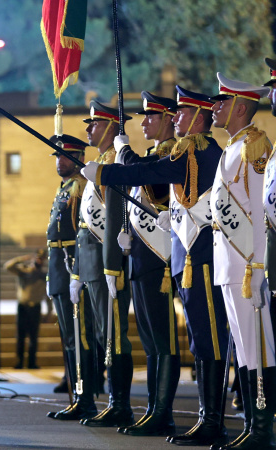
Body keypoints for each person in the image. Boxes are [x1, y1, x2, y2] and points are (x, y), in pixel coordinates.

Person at [82, 85, 230, 446]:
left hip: (198, 256)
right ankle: (194, 417)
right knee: (193, 341)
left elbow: (150, 172)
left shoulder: (201, 151)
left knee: (207, 340)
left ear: (197, 117)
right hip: (182, 256)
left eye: (181, 112)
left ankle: (206, 420)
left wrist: (113, 164)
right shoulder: (189, 152)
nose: (176, 117)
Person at [208, 72, 275, 450]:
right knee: (245, 349)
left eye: (222, 101)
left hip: (248, 266)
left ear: (239, 107)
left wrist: (259, 265)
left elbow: (261, 213)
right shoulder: (232, 149)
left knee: (258, 346)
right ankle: (251, 425)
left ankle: (263, 429)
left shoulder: (254, 146)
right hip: (229, 263)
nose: (215, 107)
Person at [113, 92, 181, 437]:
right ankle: (154, 408)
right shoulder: (155, 155)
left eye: (151, 116)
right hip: (142, 256)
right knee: (151, 341)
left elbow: (145, 177)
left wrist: (123, 151)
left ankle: (163, 413)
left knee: (164, 339)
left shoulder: (173, 154)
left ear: (169, 119)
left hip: (160, 258)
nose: (143, 123)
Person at [70, 101, 135, 428]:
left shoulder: (114, 164)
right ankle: (112, 401)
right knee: (101, 333)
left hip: (107, 262)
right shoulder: (98, 164)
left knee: (114, 334)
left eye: (94, 124)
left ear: (111, 126)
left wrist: (112, 264)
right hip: (92, 262)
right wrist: (77, 271)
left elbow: (116, 217)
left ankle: (120, 404)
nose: (88, 130)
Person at [41, 134, 98, 421]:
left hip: (72, 265)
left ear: (78, 159)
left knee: (80, 337)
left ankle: (85, 399)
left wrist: (77, 273)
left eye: (64, 156)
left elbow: (83, 233)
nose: (59, 161)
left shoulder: (81, 187)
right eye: (57, 156)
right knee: (69, 338)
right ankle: (77, 397)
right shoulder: (65, 188)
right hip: (59, 268)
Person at [4, 249, 47, 369]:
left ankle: (32, 363)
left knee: (33, 337)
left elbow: (47, 294)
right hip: (23, 306)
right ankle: (19, 362)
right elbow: (8, 266)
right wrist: (23, 259)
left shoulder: (43, 275)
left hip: (35, 307)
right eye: (37, 258)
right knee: (20, 336)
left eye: (41, 259)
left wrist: (49, 311)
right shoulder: (24, 271)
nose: (39, 261)